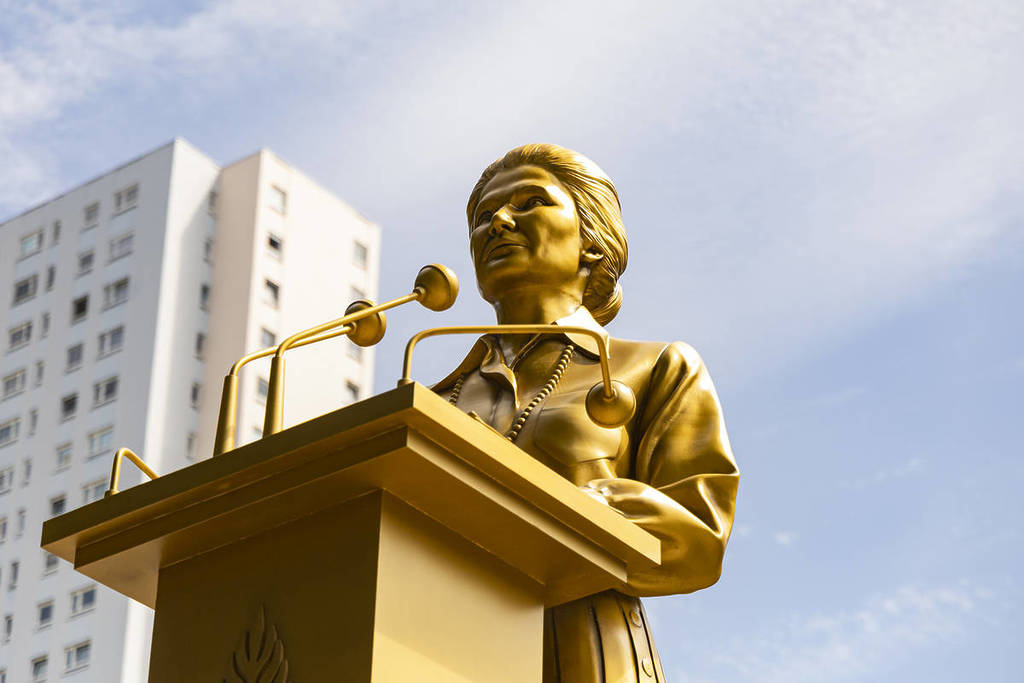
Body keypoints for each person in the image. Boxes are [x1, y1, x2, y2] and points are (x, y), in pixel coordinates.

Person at [433, 143, 739, 682]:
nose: (499, 222)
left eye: (530, 203)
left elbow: (698, 542)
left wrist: (580, 507)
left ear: (591, 243)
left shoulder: (655, 367)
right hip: (435, 650)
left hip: (585, 650)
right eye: (483, 217)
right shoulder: (434, 400)